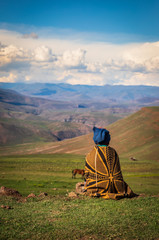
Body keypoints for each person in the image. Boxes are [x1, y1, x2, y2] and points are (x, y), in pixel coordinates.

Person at [84, 127, 137, 200]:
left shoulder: (91, 154)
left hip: (97, 188)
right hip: (117, 188)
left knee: (80, 186)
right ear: (108, 140)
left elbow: (87, 174)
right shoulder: (113, 152)